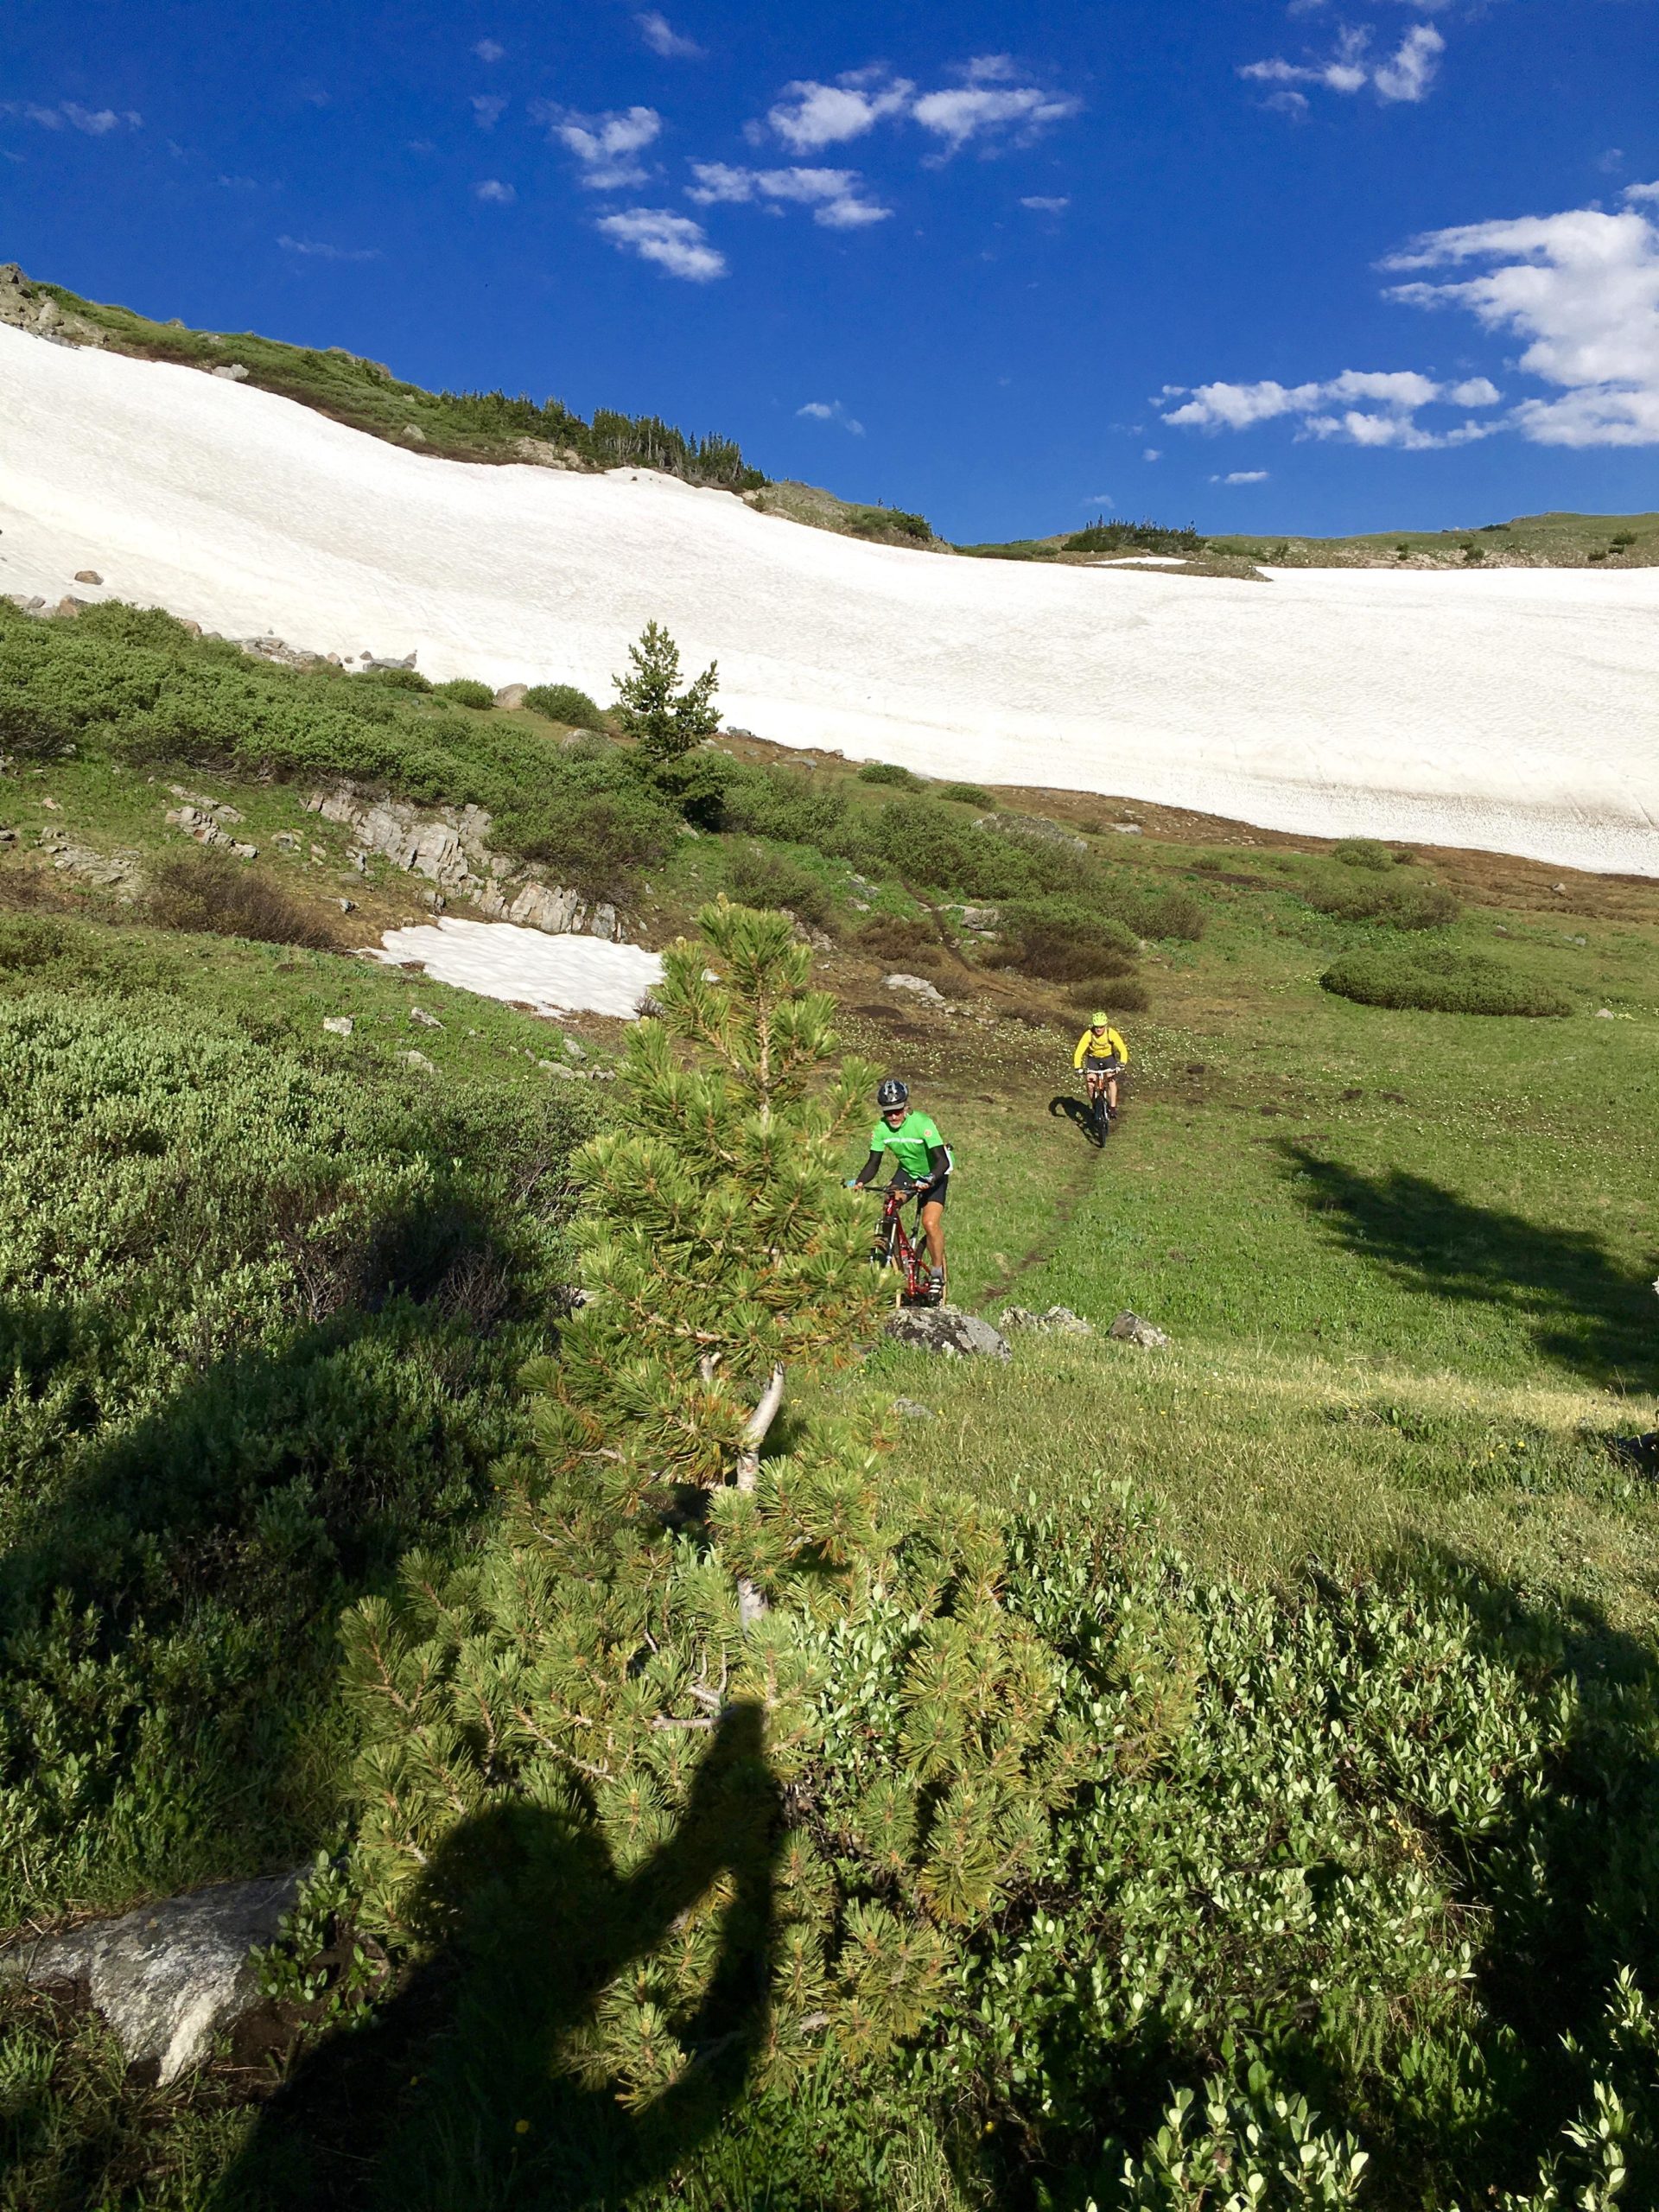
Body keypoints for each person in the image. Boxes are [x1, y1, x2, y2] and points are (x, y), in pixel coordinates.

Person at [848, 1077, 951, 1301]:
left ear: (905, 1106)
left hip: (935, 1171)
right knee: (889, 1206)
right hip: (908, 1172)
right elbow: (873, 1164)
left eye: (897, 1111)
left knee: (930, 1223)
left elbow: (942, 1161)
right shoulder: (880, 1129)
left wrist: (930, 1178)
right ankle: (894, 1263)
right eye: (888, 1112)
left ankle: (936, 1273)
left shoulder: (922, 1123)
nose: (893, 1117)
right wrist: (859, 1182)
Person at [1072, 1010, 1130, 1121]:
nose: (1098, 1029)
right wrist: (1078, 1067)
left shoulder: (1111, 1033)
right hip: (1093, 1059)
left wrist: (1122, 1063)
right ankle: (1095, 1106)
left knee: (1111, 1079)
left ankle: (1112, 1108)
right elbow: (1079, 1051)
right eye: (1096, 1027)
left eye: (1101, 1027)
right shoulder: (1089, 1034)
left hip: (1108, 1058)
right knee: (1090, 1083)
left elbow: (1122, 1049)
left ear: (1105, 1026)